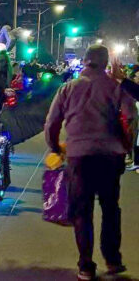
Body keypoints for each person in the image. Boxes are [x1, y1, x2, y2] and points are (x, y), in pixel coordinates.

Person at [44, 45, 135, 281]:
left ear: (84, 62)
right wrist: (126, 146)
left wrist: (55, 147)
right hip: (110, 156)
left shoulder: (68, 88)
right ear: (106, 63)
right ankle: (113, 260)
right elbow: (131, 118)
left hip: (79, 156)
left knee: (82, 211)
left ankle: (86, 266)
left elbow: (52, 122)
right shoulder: (116, 88)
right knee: (110, 208)